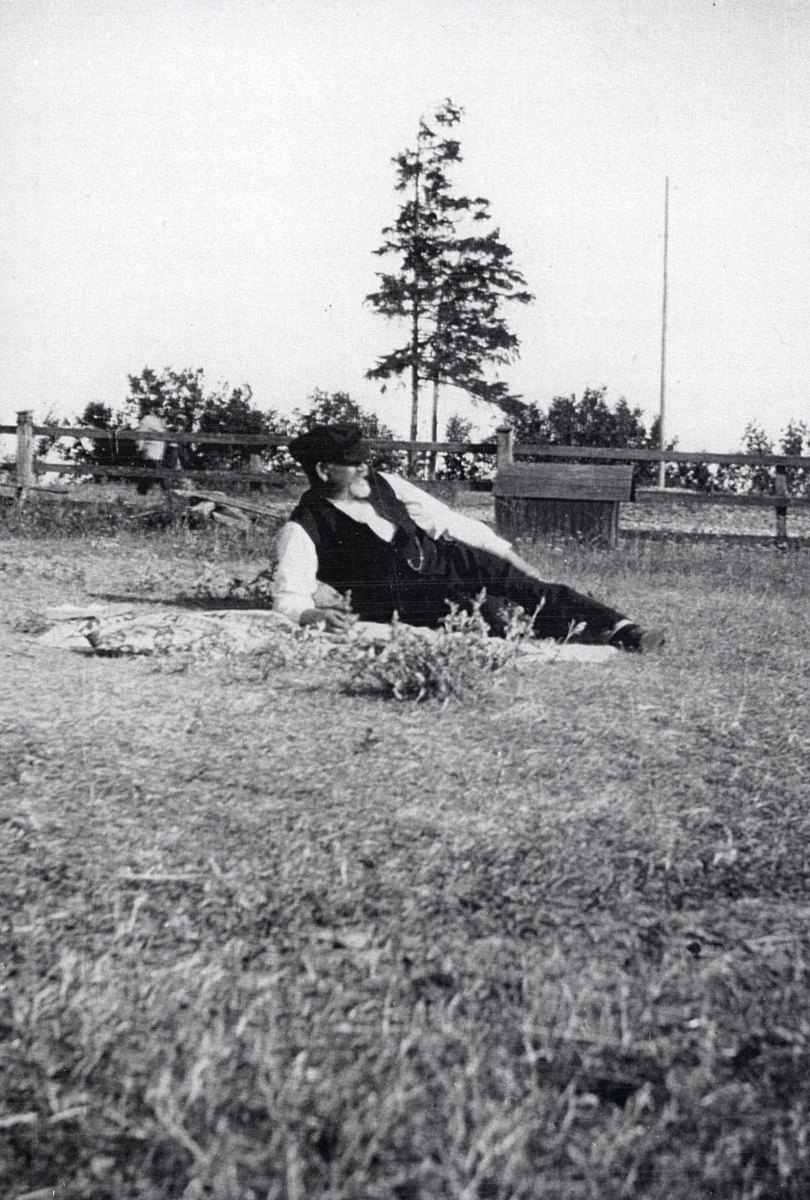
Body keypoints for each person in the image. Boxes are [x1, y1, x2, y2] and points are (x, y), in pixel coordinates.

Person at [272, 424, 664, 651]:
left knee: (533, 587)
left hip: (449, 559)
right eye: (353, 463)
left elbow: (447, 521)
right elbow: (289, 597)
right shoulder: (304, 527)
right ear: (323, 470)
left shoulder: (384, 483)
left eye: (365, 460)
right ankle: (588, 635)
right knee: (490, 614)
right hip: (401, 600)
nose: (364, 468)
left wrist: (510, 557)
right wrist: (313, 615)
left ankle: (625, 629)